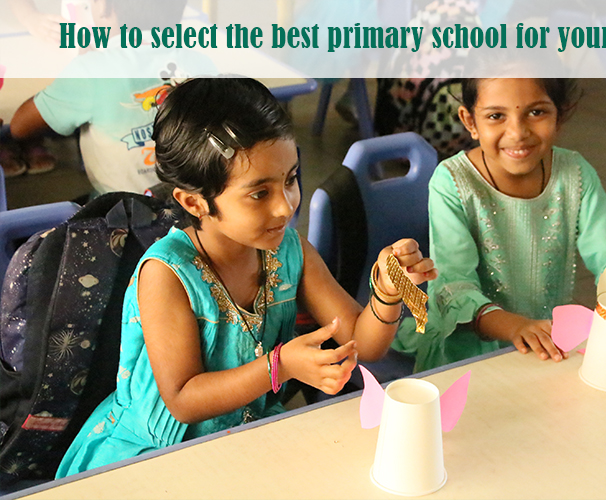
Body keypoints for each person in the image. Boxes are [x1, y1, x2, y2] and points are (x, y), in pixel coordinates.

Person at [56, 78, 437, 477]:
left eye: (290, 179)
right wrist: (280, 366)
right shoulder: (166, 274)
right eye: (259, 193)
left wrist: (387, 293)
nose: (285, 207)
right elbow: (183, 399)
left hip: (245, 438)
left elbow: (365, 343)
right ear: (194, 201)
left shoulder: (289, 251)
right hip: (156, 456)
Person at [393, 78, 606, 373]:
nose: (518, 132)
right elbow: (454, 289)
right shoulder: (452, 182)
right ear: (470, 121)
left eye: (537, 112)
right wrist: (519, 327)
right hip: (466, 356)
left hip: (551, 347)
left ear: (561, 113)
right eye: (496, 116)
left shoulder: (574, 174)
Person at [9, 0, 214, 197]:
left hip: (121, 215)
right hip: (194, 209)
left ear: (105, 6)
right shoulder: (203, 64)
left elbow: (19, 126)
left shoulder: (91, 71)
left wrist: (83, 66)